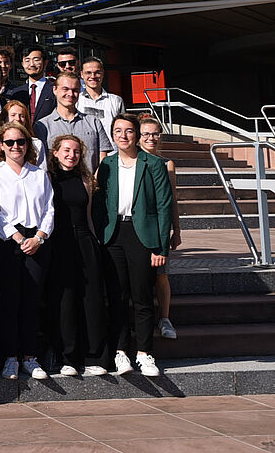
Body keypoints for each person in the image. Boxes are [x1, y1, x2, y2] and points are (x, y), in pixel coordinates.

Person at [93, 113, 173, 378]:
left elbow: (163, 206)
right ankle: (120, 352)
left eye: (128, 131)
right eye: (117, 131)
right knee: (117, 296)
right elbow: (99, 202)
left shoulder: (154, 164)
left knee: (141, 296)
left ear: (137, 134)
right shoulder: (107, 165)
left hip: (143, 235)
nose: (123, 136)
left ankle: (144, 353)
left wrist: (161, 248)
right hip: (114, 235)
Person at [0, 121, 53, 381]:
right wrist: (17, 237)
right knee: (10, 301)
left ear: (28, 145)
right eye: (10, 142)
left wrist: (38, 237)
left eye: (21, 142)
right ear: (0, 145)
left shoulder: (39, 174)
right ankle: (11, 357)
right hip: (8, 243)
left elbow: (49, 209)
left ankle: (30, 357)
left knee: (32, 300)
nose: (16, 147)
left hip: (37, 242)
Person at [47, 134, 110, 377]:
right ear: (55, 152)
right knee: (64, 299)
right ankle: (68, 357)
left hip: (84, 240)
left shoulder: (86, 179)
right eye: (66, 150)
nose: (71, 155)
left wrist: (95, 243)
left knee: (91, 298)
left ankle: (94, 356)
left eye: (76, 151)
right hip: (59, 240)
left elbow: (89, 216)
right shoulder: (48, 179)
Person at [138, 116, 182, 341]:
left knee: (161, 275)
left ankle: (164, 318)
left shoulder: (167, 163)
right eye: (146, 134)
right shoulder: (133, 161)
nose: (151, 138)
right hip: (136, 227)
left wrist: (177, 228)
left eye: (155, 134)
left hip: (159, 226)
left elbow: (172, 199)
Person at [34, 72, 111, 172]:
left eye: (75, 90)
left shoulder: (94, 122)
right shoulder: (42, 126)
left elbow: (103, 157)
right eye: (65, 89)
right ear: (55, 90)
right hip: (55, 185)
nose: (70, 94)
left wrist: (94, 182)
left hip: (90, 184)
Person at [78, 56, 125, 141]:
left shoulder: (116, 101)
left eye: (97, 72)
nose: (93, 76)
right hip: (84, 152)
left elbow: (123, 127)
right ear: (82, 74)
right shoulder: (76, 100)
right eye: (88, 73)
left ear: (103, 73)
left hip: (112, 152)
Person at [9, 45, 56, 122]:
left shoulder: (54, 89)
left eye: (36, 60)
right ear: (22, 64)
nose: (32, 64)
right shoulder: (17, 92)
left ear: (45, 63)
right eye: (27, 60)